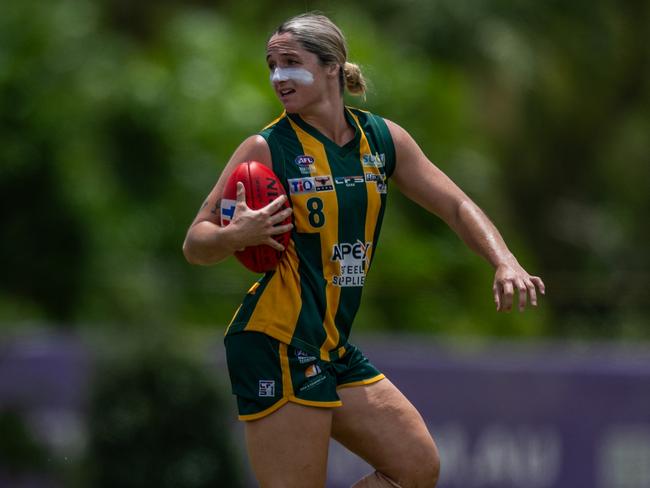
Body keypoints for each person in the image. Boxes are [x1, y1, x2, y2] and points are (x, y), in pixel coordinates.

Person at [183, 12, 545, 488]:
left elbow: (456, 204)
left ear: (332, 66)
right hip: (276, 341)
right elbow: (195, 242)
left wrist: (504, 260)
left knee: (415, 467)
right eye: (271, 64)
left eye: (291, 62)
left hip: (330, 344)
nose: (277, 77)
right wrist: (233, 236)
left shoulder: (382, 139)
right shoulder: (266, 147)